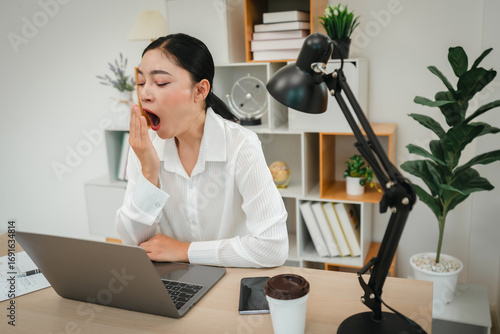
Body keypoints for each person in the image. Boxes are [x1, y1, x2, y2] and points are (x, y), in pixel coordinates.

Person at [115, 33, 288, 268]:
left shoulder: (241, 145)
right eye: (141, 83)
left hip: (231, 280)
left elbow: (273, 247)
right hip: (172, 282)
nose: (144, 94)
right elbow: (134, 242)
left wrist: (185, 251)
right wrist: (149, 172)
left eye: (161, 83)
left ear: (200, 91)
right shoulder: (145, 147)